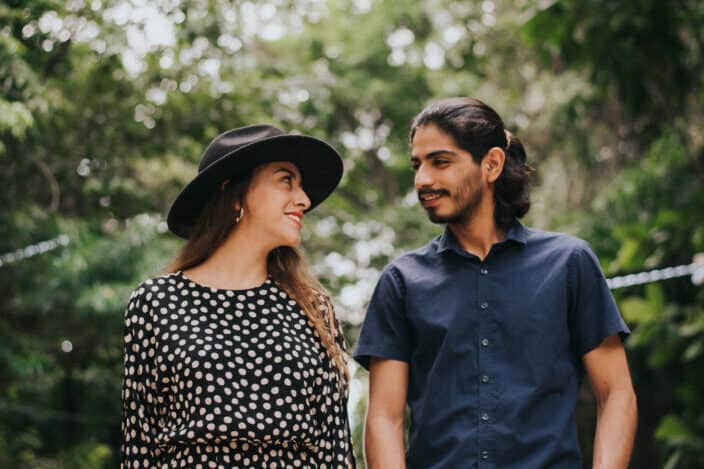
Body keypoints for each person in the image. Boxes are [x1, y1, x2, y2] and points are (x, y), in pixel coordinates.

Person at [354, 98, 637, 468]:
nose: (423, 179)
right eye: (417, 165)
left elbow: (616, 394)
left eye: (440, 162)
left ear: (491, 164)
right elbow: (384, 419)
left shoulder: (569, 263)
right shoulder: (401, 281)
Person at [121, 125, 355, 468]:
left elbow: (334, 448)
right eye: (286, 180)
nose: (304, 199)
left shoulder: (314, 308)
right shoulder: (156, 302)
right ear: (234, 194)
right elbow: (138, 448)